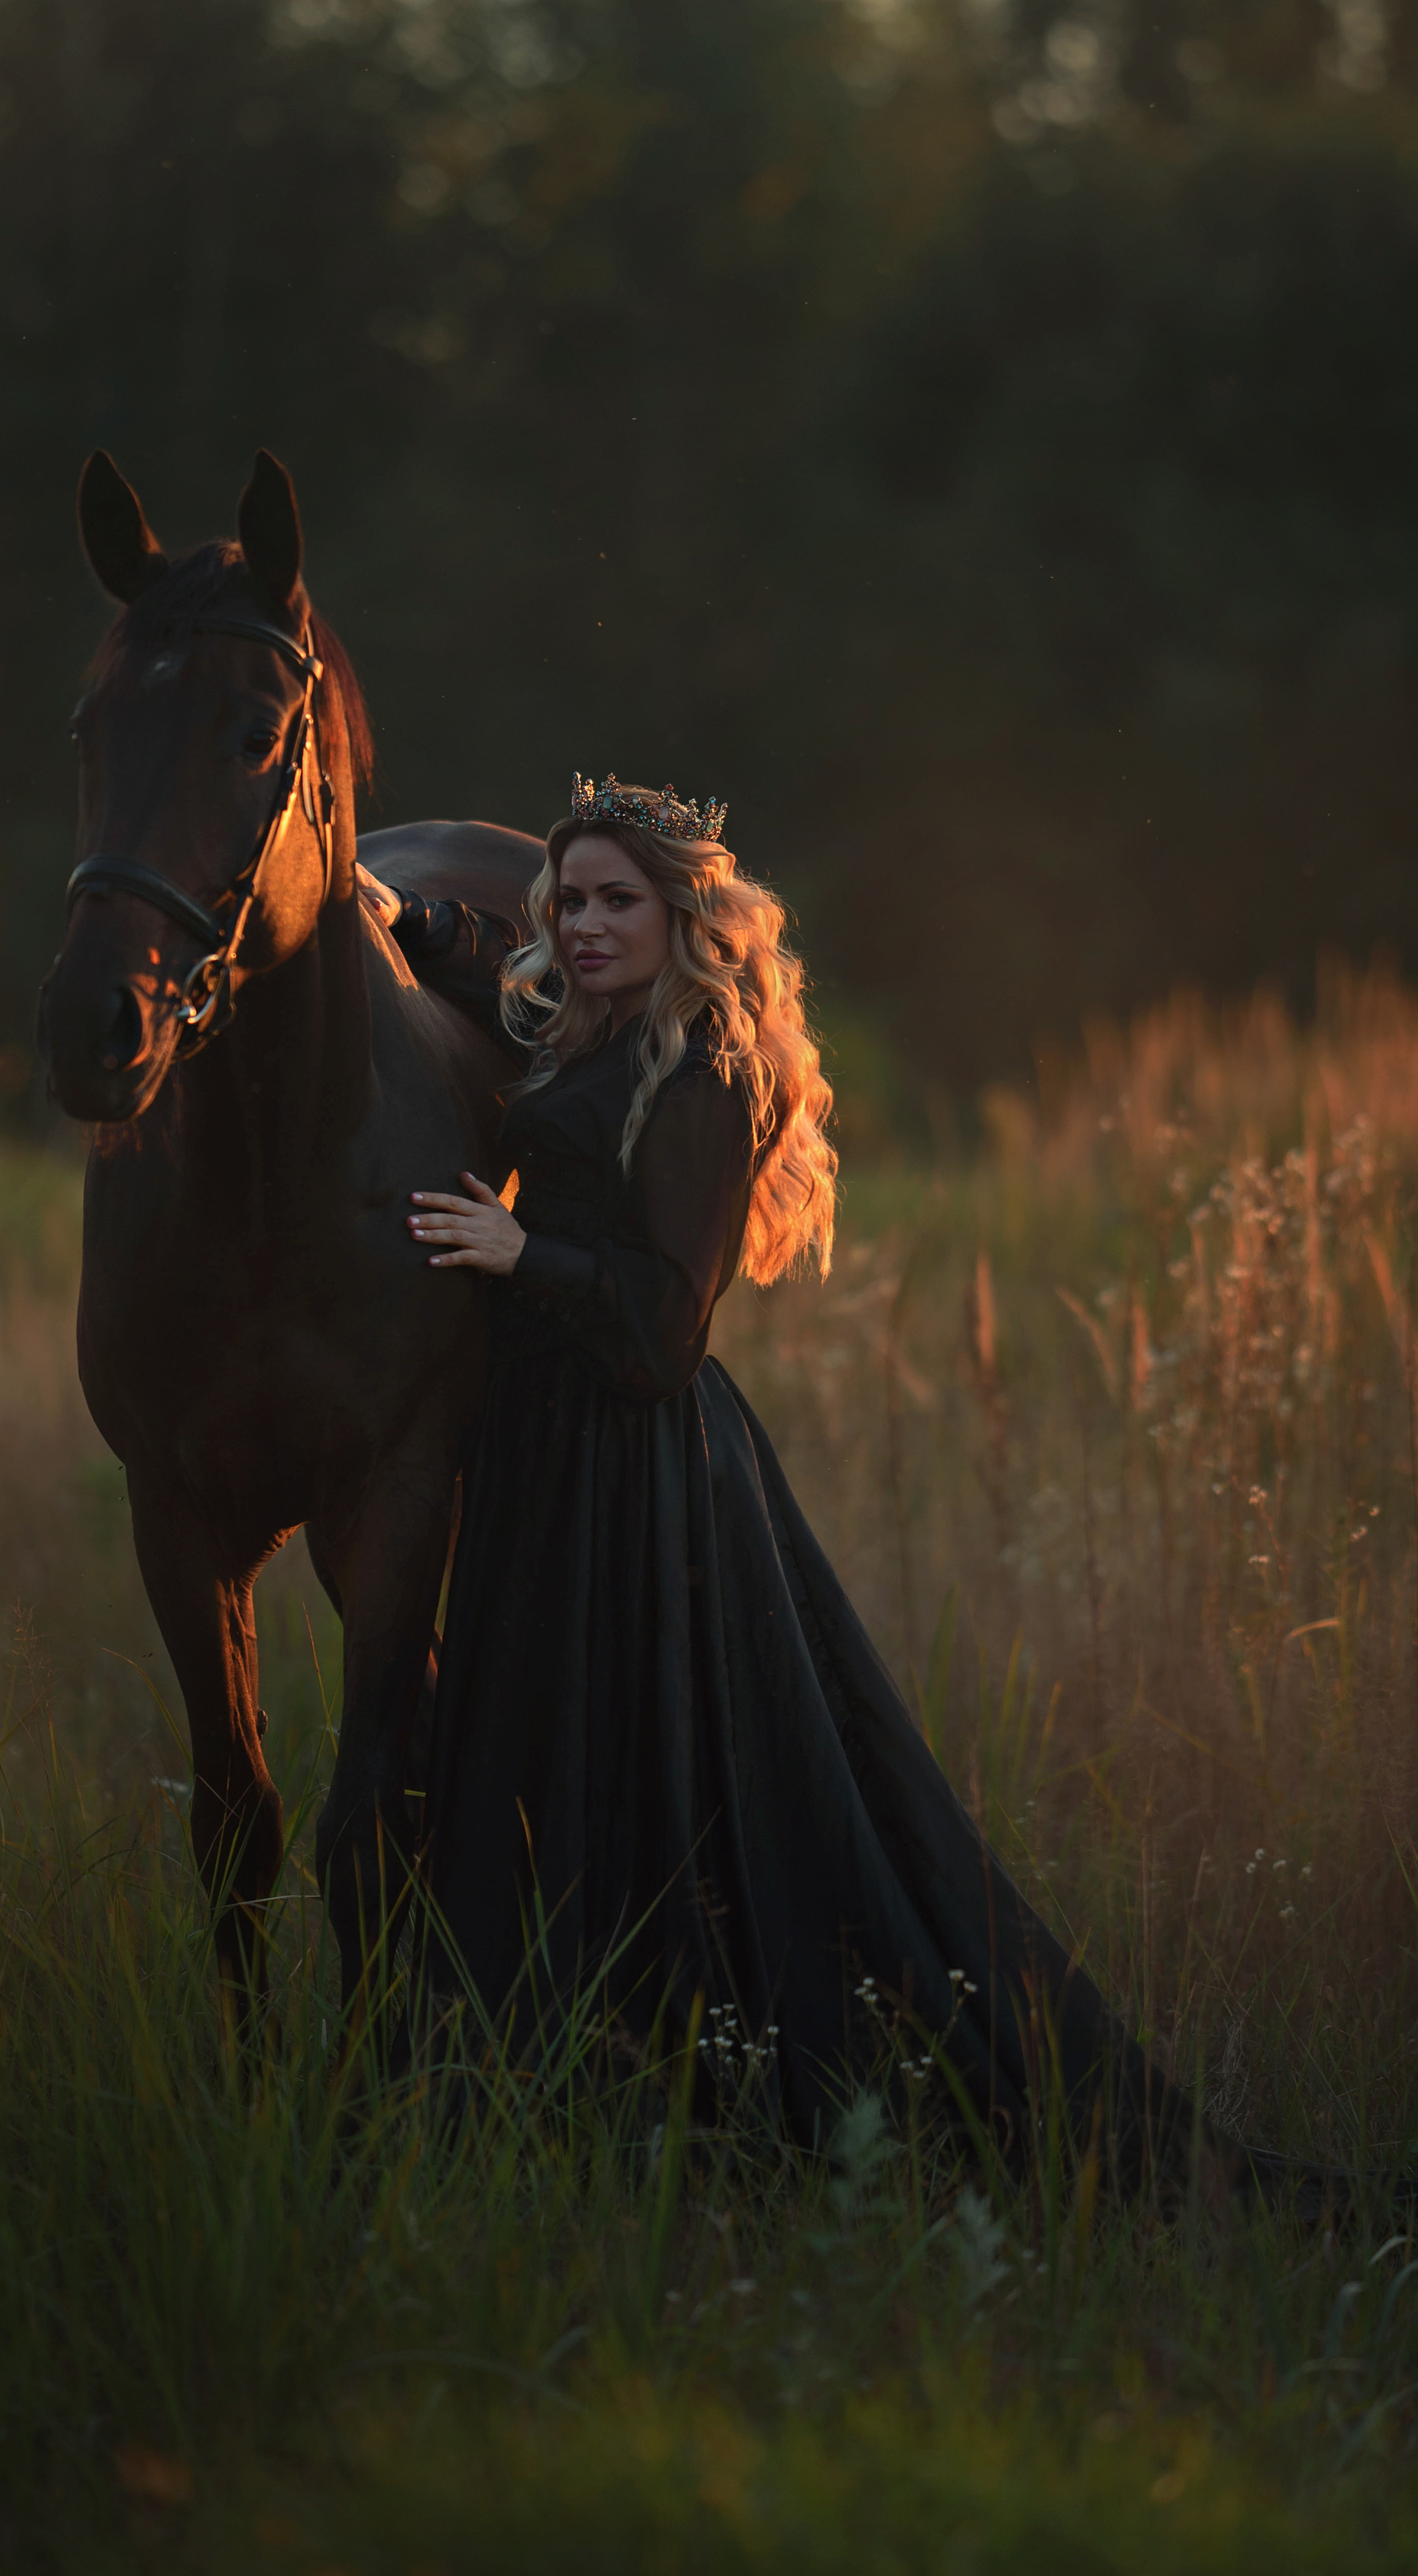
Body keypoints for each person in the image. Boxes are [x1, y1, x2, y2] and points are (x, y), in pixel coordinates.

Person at [358, 774, 1195, 2180]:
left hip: (637, 1469)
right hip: (539, 1453)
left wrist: (516, 1255)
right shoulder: (581, 1025)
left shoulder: (707, 1071)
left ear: (689, 917)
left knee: (648, 1760)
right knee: (528, 1740)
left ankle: (681, 2087)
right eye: (566, 902)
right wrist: (419, 916)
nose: (584, 925)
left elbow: (659, 1337)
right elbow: (484, 984)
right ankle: (521, 2076)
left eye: (618, 900)